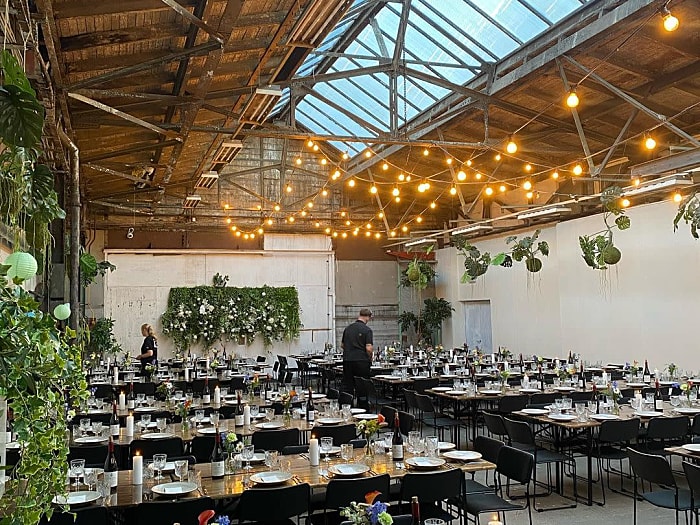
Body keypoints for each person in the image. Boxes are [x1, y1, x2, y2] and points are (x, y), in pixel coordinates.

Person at [341, 308, 373, 393]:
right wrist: (370, 357)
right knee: (362, 386)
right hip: (361, 361)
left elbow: (342, 345)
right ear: (368, 317)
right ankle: (362, 401)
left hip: (347, 360)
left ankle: (347, 400)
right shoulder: (367, 330)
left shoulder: (348, 328)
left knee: (347, 385)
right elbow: (368, 348)